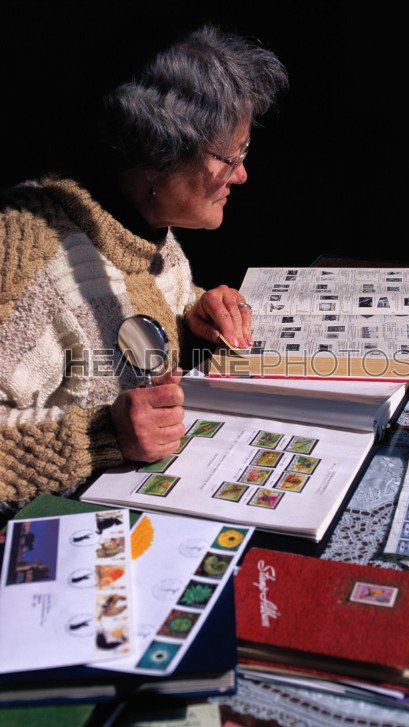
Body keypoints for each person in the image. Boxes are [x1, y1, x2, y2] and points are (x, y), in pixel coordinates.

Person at [0, 24, 288, 509]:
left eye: (244, 150)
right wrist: (101, 435)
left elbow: (147, 312)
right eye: (229, 156)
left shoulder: (145, 228)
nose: (242, 174)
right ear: (157, 157)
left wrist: (196, 313)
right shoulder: (24, 255)